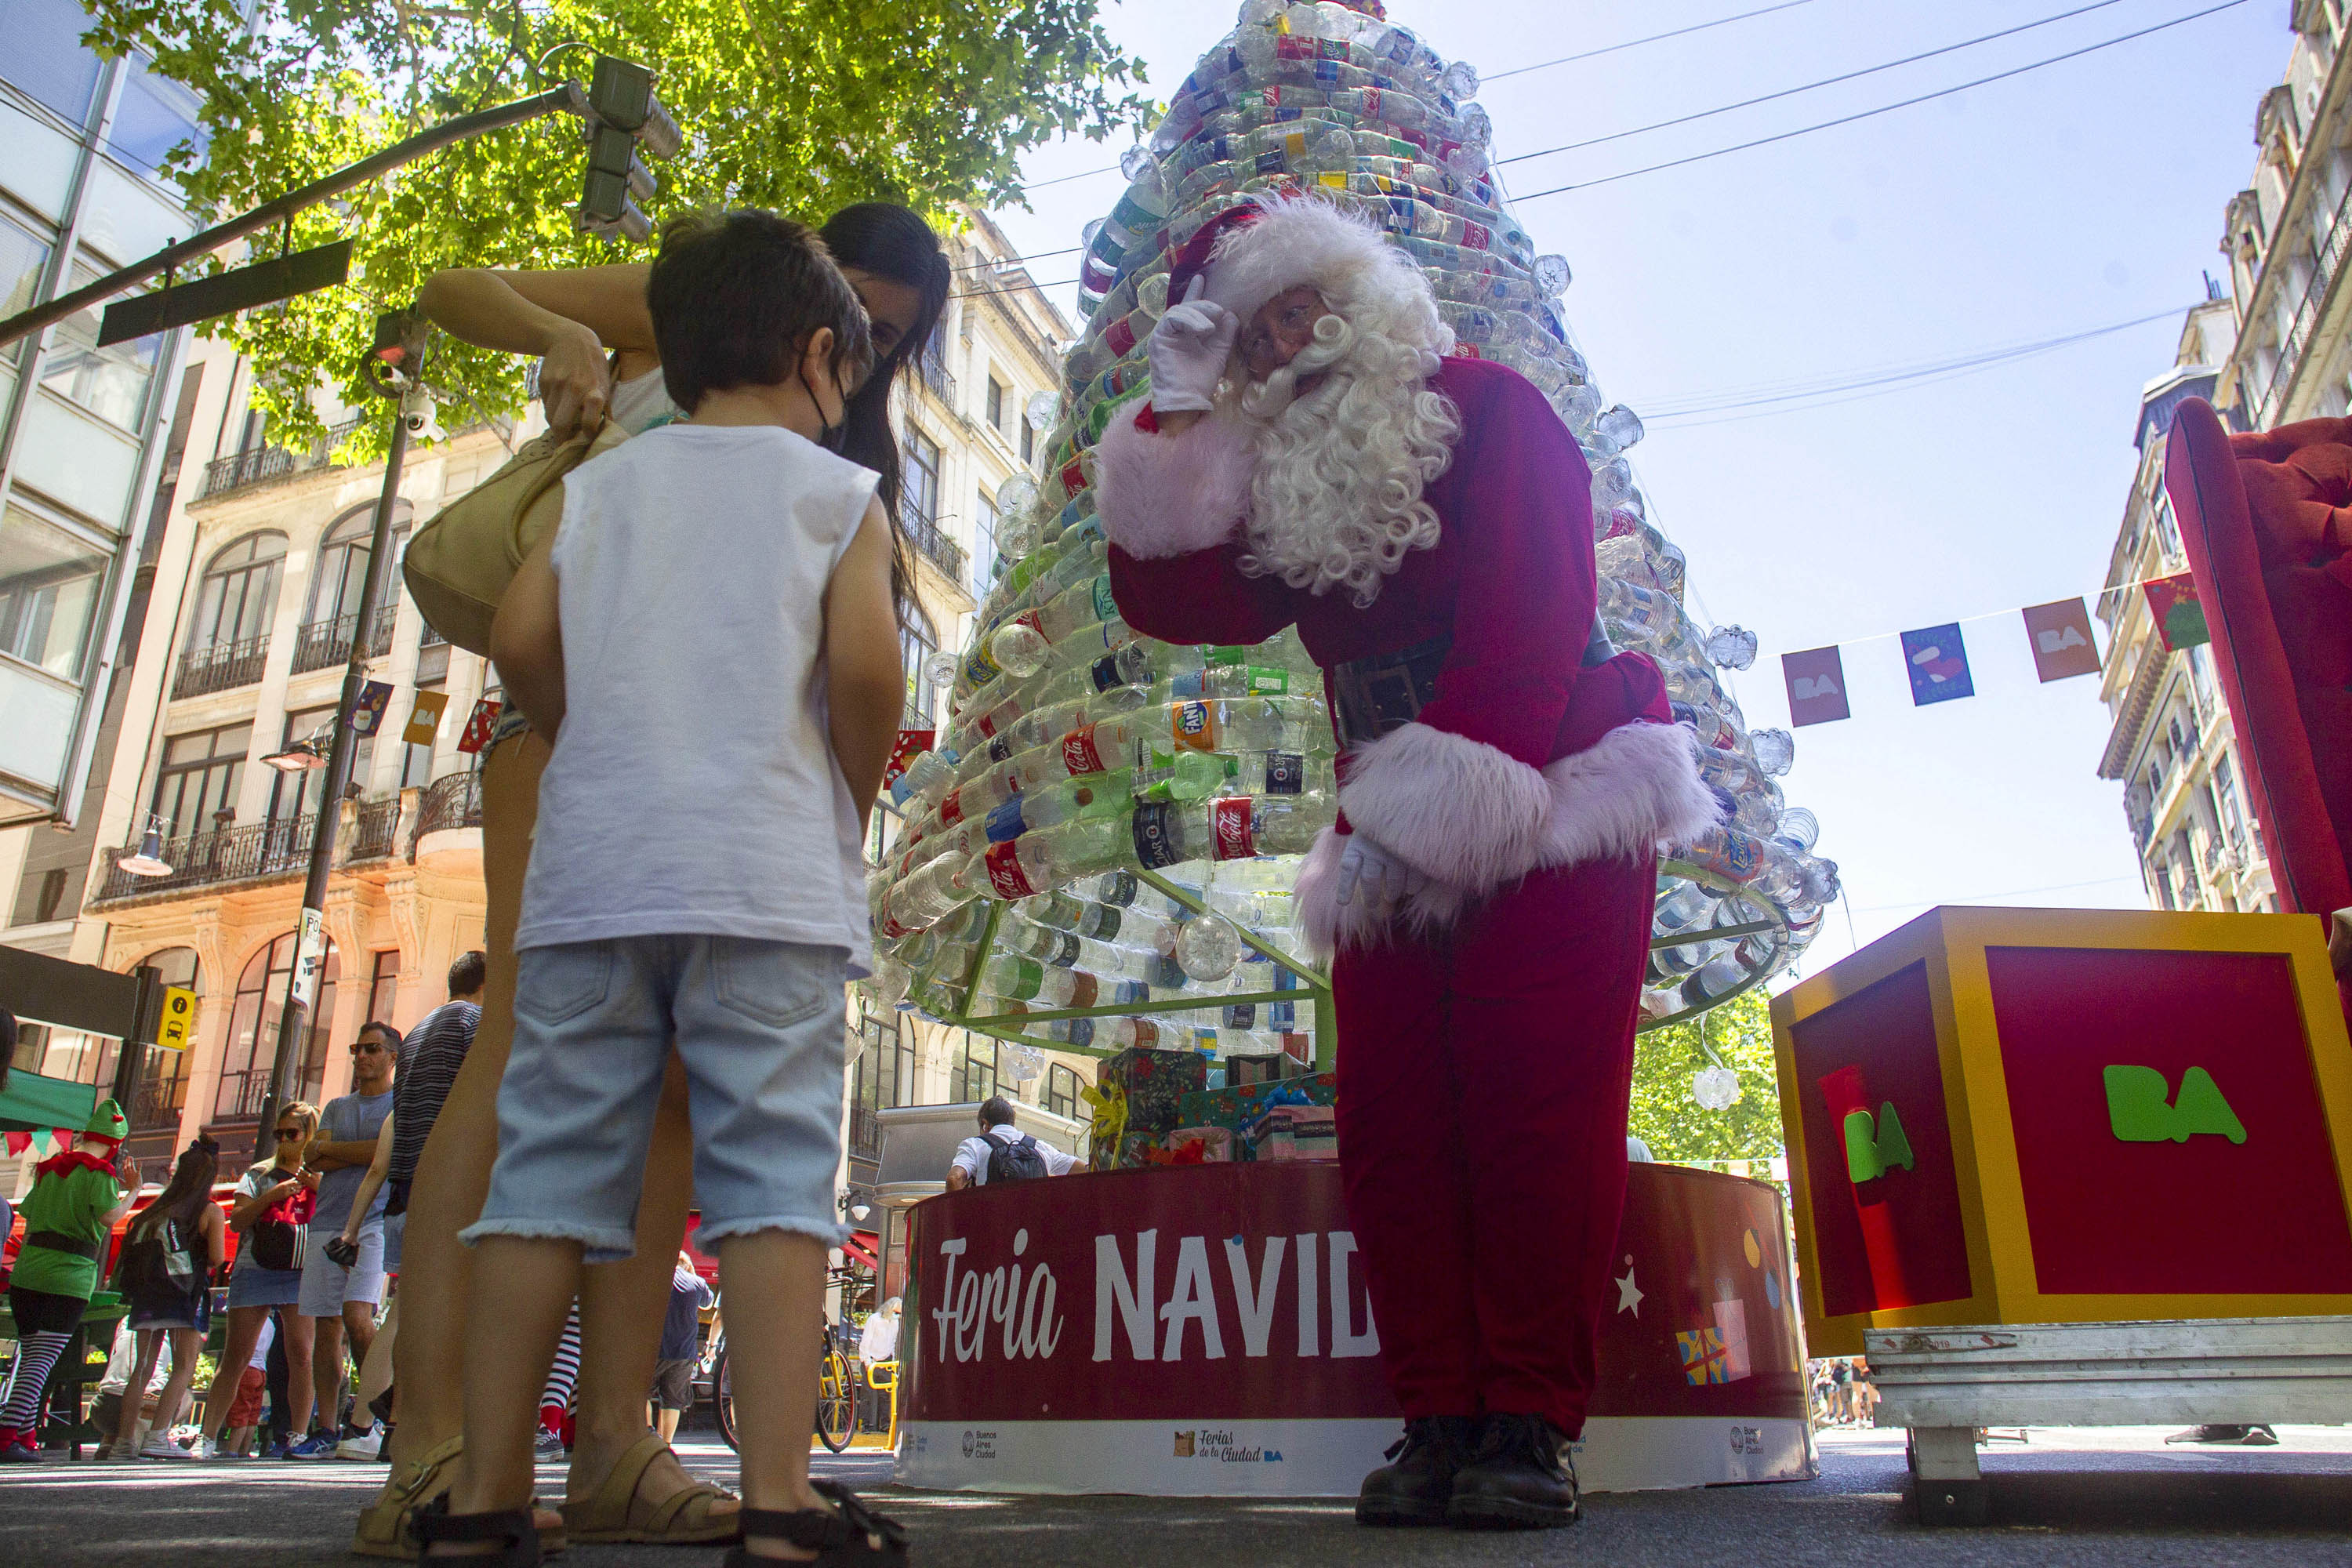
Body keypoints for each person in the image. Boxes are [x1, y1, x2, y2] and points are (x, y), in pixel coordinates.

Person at [1095, 194, 1717, 1532]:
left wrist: (1435, 808)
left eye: (1302, 299)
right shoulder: (1287, 487)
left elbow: (1535, 620)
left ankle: (1527, 1422)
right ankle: (1437, 1413)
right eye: (1257, 331)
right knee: (1393, 1134)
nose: (1292, 334)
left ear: (1360, 293)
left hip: (1551, 791)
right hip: (1392, 821)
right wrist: (1177, 401)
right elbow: (1166, 595)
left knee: (1529, 1114)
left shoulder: (1493, 409)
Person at [364, 202, 949, 1560]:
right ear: (819, 349)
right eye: (860, 349)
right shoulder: (834, 494)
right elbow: (867, 676)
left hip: (595, 872)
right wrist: (839, 799)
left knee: (546, 1176)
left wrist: (588, 732)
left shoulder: (605, 482)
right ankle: (782, 1503)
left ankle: (485, 1493)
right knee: (773, 1187)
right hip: (761, 879)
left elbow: (520, 637)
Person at [336, 953, 490, 1457]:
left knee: (409, 1312)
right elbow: (488, 1097)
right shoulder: (472, 1023)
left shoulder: (419, 1032)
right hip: (452, 1183)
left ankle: (376, 1424)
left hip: (408, 1188)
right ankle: (400, 1420)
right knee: (451, 1312)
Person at [0, 1100, 140, 1460]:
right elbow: (110, 1217)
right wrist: (134, 1192)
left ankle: (27, 1436)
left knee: (31, 1355)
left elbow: (28, 1217)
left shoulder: (49, 1170)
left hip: (28, 1273)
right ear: (115, 1144)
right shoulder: (99, 1174)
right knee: (41, 1361)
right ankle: (6, 1435)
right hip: (69, 1276)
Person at [291, 1022, 399, 1459]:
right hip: (326, 1223)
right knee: (326, 1327)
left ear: (393, 1056)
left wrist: (338, 1152)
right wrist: (367, 1149)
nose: (362, 1056)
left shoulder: (400, 1102)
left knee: (358, 1317)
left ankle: (373, 1418)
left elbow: (371, 1157)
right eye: (357, 1048)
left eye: (372, 1048)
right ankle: (326, 1427)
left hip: (375, 1221)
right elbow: (311, 1154)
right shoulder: (336, 1105)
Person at [197, 1102, 320, 1459]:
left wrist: (320, 1187)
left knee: (301, 1353)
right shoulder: (258, 1173)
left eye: (291, 1133)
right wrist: (270, 1197)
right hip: (256, 1267)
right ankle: (208, 1437)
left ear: (309, 1135)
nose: (283, 1139)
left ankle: (298, 1436)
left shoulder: (321, 1174)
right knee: (237, 1354)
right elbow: (236, 1222)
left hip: (301, 1269)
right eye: (278, 1133)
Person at [110, 1137, 225, 1459]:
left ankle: (124, 1441)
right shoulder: (209, 1211)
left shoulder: (152, 1213)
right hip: (186, 1296)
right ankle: (158, 1437)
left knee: (142, 1369)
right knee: (183, 1366)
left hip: (148, 1295)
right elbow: (216, 1257)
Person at [649, 1254, 714, 1444]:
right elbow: (708, 1304)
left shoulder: (656, 1277)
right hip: (683, 1353)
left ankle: (647, 1432)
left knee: (640, 1393)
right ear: (687, 1265)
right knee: (673, 1401)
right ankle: (666, 1445)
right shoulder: (697, 1282)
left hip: (654, 1349)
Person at [946, 1097, 1080, 1189]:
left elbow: (954, 1179)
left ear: (985, 1125)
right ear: (1012, 1122)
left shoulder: (974, 1145)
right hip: (1031, 1225)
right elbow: (1086, 1168)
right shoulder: (1039, 1147)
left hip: (992, 1223)